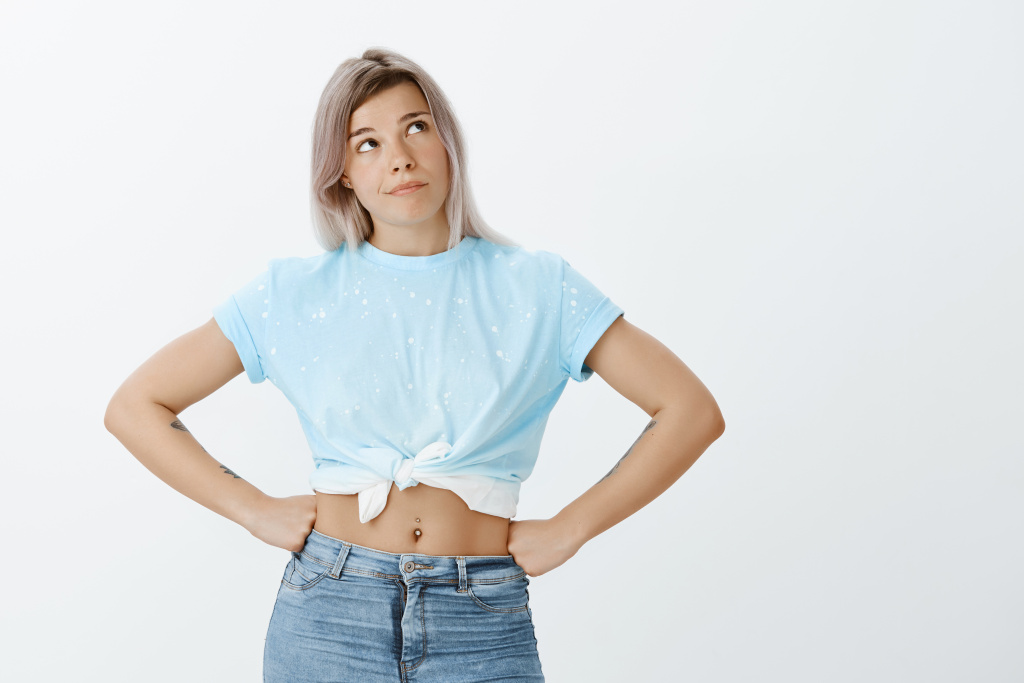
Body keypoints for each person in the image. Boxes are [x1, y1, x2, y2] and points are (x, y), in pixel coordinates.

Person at [104, 47, 725, 682]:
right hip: (329, 615)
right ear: (340, 171)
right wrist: (252, 508)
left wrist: (573, 527)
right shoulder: (292, 293)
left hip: (479, 615)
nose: (399, 155)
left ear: (447, 142)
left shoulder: (539, 286)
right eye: (366, 142)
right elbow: (136, 406)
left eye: (416, 127)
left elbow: (690, 410)